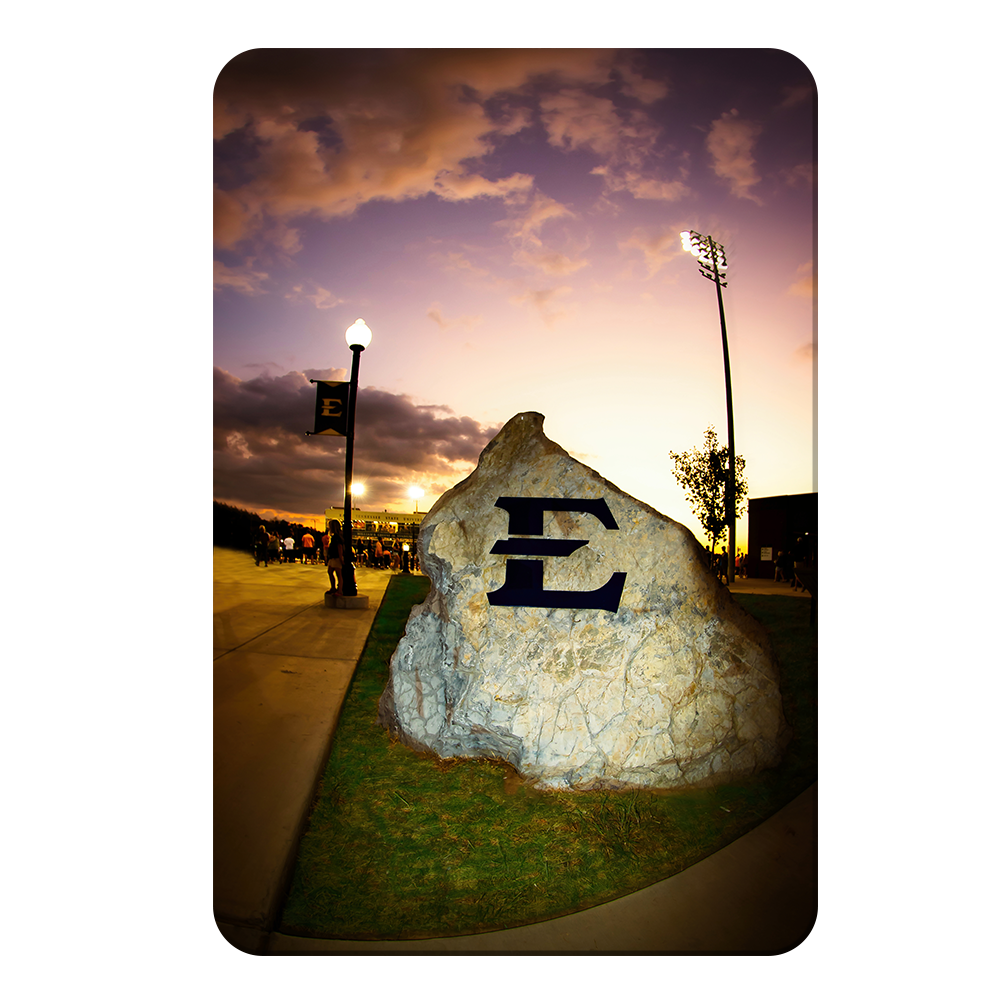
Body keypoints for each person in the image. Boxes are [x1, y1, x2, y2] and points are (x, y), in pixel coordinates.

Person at [326, 520, 345, 595]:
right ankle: (334, 588)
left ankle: (339, 590)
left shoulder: (336, 537)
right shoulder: (337, 536)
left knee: (338, 574)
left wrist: (341, 558)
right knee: (330, 572)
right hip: (333, 557)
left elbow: (339, 547)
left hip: (336, 557)